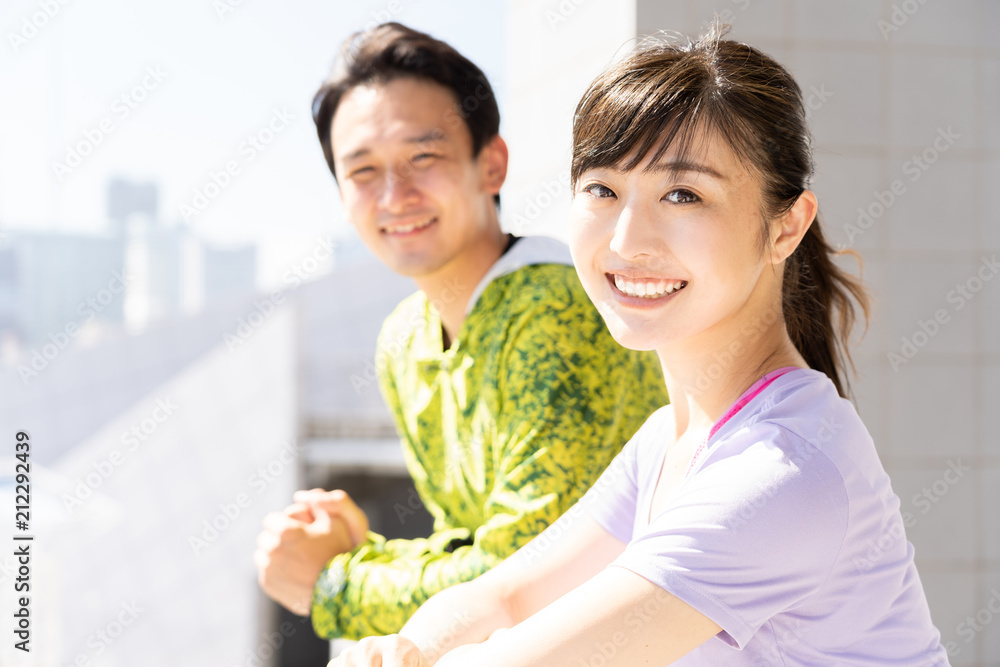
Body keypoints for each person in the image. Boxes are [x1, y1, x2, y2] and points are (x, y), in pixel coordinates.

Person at [327, 22, 950, 666]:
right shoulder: (668, 440)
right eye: (603, 189)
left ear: (785, 226)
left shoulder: (785, 469)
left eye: (684, 194)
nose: (627, 240)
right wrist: (400, 649)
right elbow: (505, 599)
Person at [252, 22, 667, 641]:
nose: (395, 194)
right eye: (363, 170)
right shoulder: (406, 338)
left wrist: (335, 582)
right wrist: (358, 553)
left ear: (490, 164)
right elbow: (472, 547)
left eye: (423, 156)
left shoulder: (553, 310)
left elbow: (525, 578)